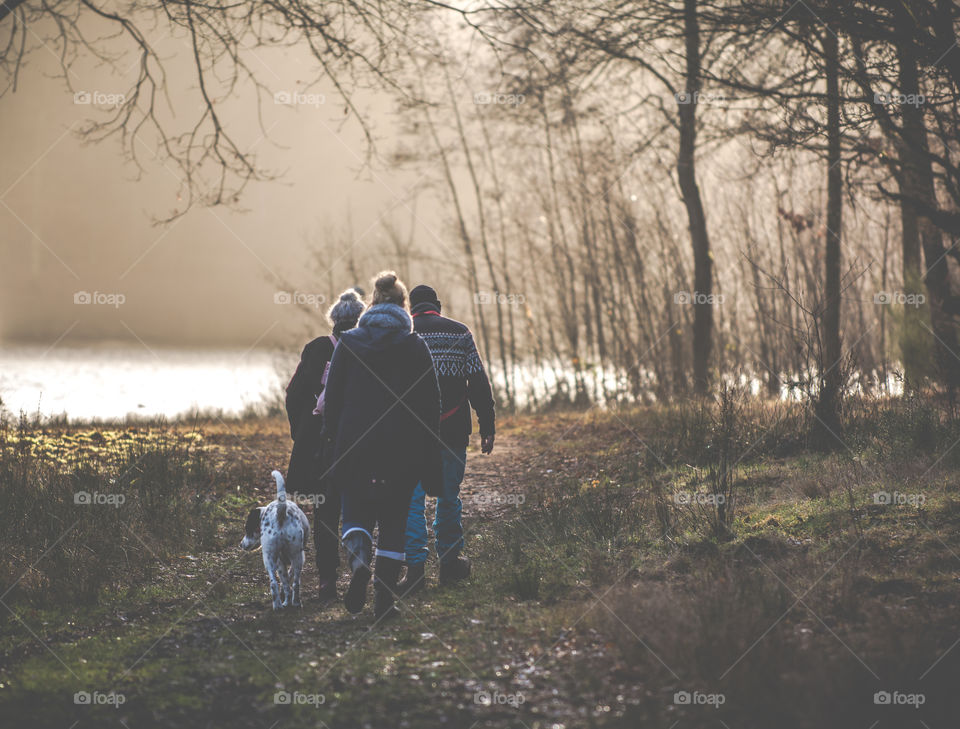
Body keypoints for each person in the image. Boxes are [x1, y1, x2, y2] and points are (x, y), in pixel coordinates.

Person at [320, 272, 443, 620]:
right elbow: (429, 404)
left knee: (355, 511)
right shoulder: (415, 346)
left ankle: (360, 562)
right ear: (404, 305)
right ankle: (384, 599)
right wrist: (429, 451)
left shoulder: (350, 342)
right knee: (394, 521)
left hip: (354, 445)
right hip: (401, 450)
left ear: (371, 303)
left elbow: (334, 399)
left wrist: (331, 440)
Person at [398, 284, 495, 596]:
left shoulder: (403, 336)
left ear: (409, 307)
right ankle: (450, 564)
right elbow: (478, 381)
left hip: (412, 434)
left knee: (412, 501)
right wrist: (487, 424)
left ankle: (414, 570)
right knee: (448, 496)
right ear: (437, 305)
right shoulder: (460, 333)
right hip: (453, 430)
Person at [283, 288, 365, 603]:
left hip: (320, 446)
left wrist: (300, 431)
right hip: (358, 441)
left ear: (334, 321)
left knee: (325, 513)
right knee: (360, 509)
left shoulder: (318, 349)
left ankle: (327, 582)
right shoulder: (367, 348)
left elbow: (293, 394)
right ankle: (359, 565)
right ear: (361, 321)